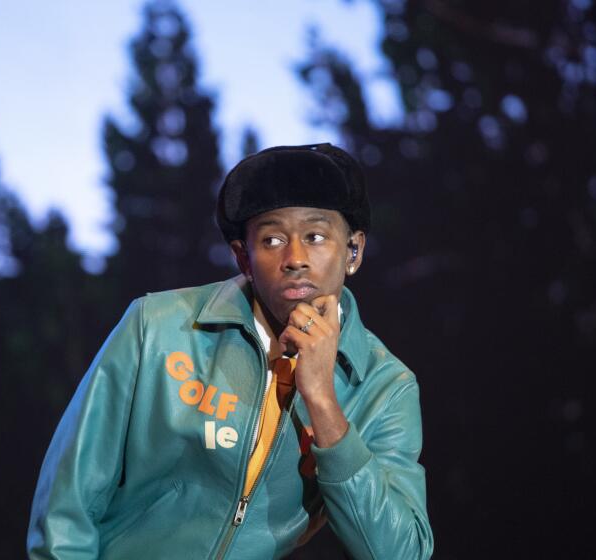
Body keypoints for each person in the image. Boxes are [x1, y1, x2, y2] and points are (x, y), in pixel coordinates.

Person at [27, 143, 434, 559]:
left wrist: (324, 402)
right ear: (244, 256)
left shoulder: (386, 388)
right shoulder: (159, 326)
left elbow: (402, 553)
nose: (295, 258)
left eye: (315, 236)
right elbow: (67, 506)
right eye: (272, 239)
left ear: (353, 251)